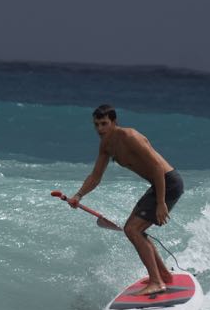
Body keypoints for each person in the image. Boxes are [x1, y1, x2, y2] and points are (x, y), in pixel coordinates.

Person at [68, 104, 185, 296]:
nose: (100, 129)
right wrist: (78, 195)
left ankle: (157, 282)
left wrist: (161, 203)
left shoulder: (130, 137)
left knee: (132, 229)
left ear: (114, 122)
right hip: (157, 185)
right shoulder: (106, 145)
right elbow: (95, 176)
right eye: (96, 125)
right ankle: (164, 275)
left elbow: (156, 167)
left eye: (104, 124)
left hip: (168, 182)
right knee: (134, 229)